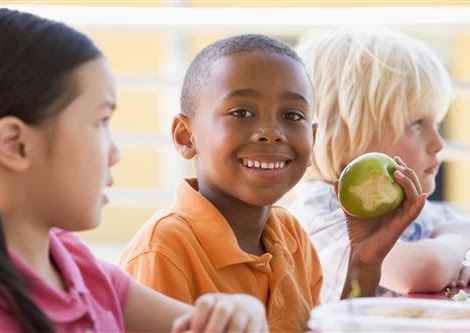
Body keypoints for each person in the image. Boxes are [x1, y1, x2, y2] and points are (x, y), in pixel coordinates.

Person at [119, 33, 426, 332]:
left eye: (292, 115)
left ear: (313, 138)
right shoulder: (165, 249)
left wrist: (364, 262)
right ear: (186, 137)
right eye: (242, 112)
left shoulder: (291, 236)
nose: (271, 131)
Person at [0, 8, 269, 333]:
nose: (115, 153)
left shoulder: (73, 263)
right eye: (100, 121)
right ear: (15, 144)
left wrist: (240, 311)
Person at [289, 27, 470, 303]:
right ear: (346, 138)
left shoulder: (413, 207)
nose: (438, 143)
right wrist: (455, 242)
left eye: (437, 123)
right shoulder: (320, 215)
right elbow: (422, 270)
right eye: (418, 125)